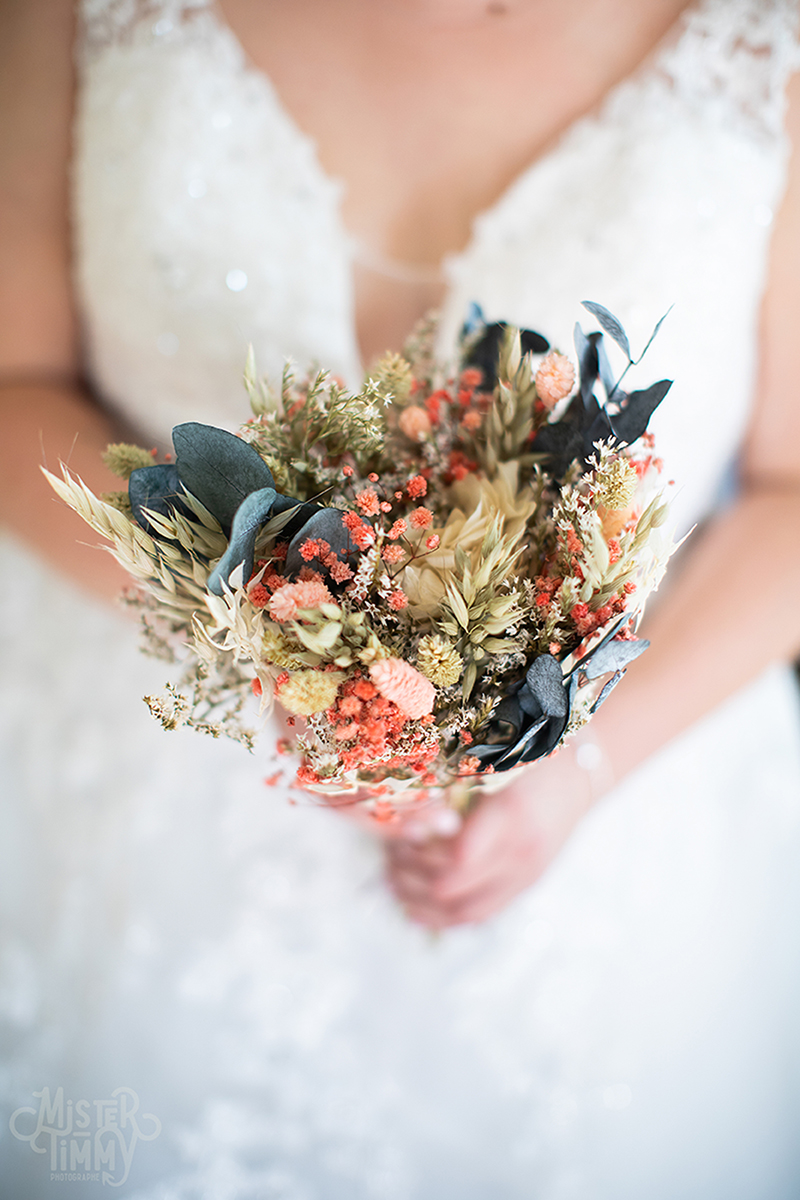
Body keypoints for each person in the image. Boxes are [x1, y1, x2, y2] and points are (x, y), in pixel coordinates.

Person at [2, 1, 800, 1196]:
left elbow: (790, 496)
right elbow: (15, 381)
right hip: (149, 796)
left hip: (618, 854)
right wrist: (254, 631)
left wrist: (570, 770)